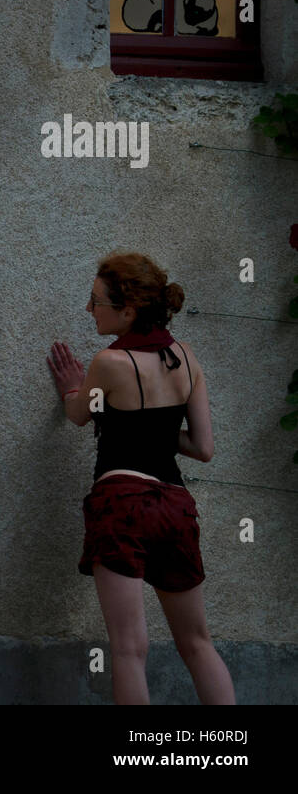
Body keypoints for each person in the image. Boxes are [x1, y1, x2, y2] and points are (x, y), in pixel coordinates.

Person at [47, 251, 234, 704]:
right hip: (174, 506)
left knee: (130, 650)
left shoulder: (108, 362)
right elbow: (202, 449)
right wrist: (154, 429)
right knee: (197, 643)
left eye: (96, 302)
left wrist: (73, 385)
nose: (89, 310)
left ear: (127, 310)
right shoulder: (186, 358)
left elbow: (78, 414)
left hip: (123, 503)